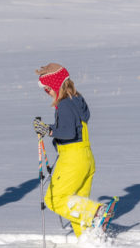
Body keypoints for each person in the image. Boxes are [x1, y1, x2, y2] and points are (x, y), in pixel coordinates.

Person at [34, 63, 107, 237]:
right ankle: (89, 238)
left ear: (56, 85)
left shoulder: (65, 104)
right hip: (86, 158)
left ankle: (96, 213)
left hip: (72, 159)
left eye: (47, 88)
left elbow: (68, 131)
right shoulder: (76, 100)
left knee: (54, 199)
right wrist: (49, 128)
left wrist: (50, 131)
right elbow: (74, 126)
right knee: (76, 203)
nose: (47, 93)